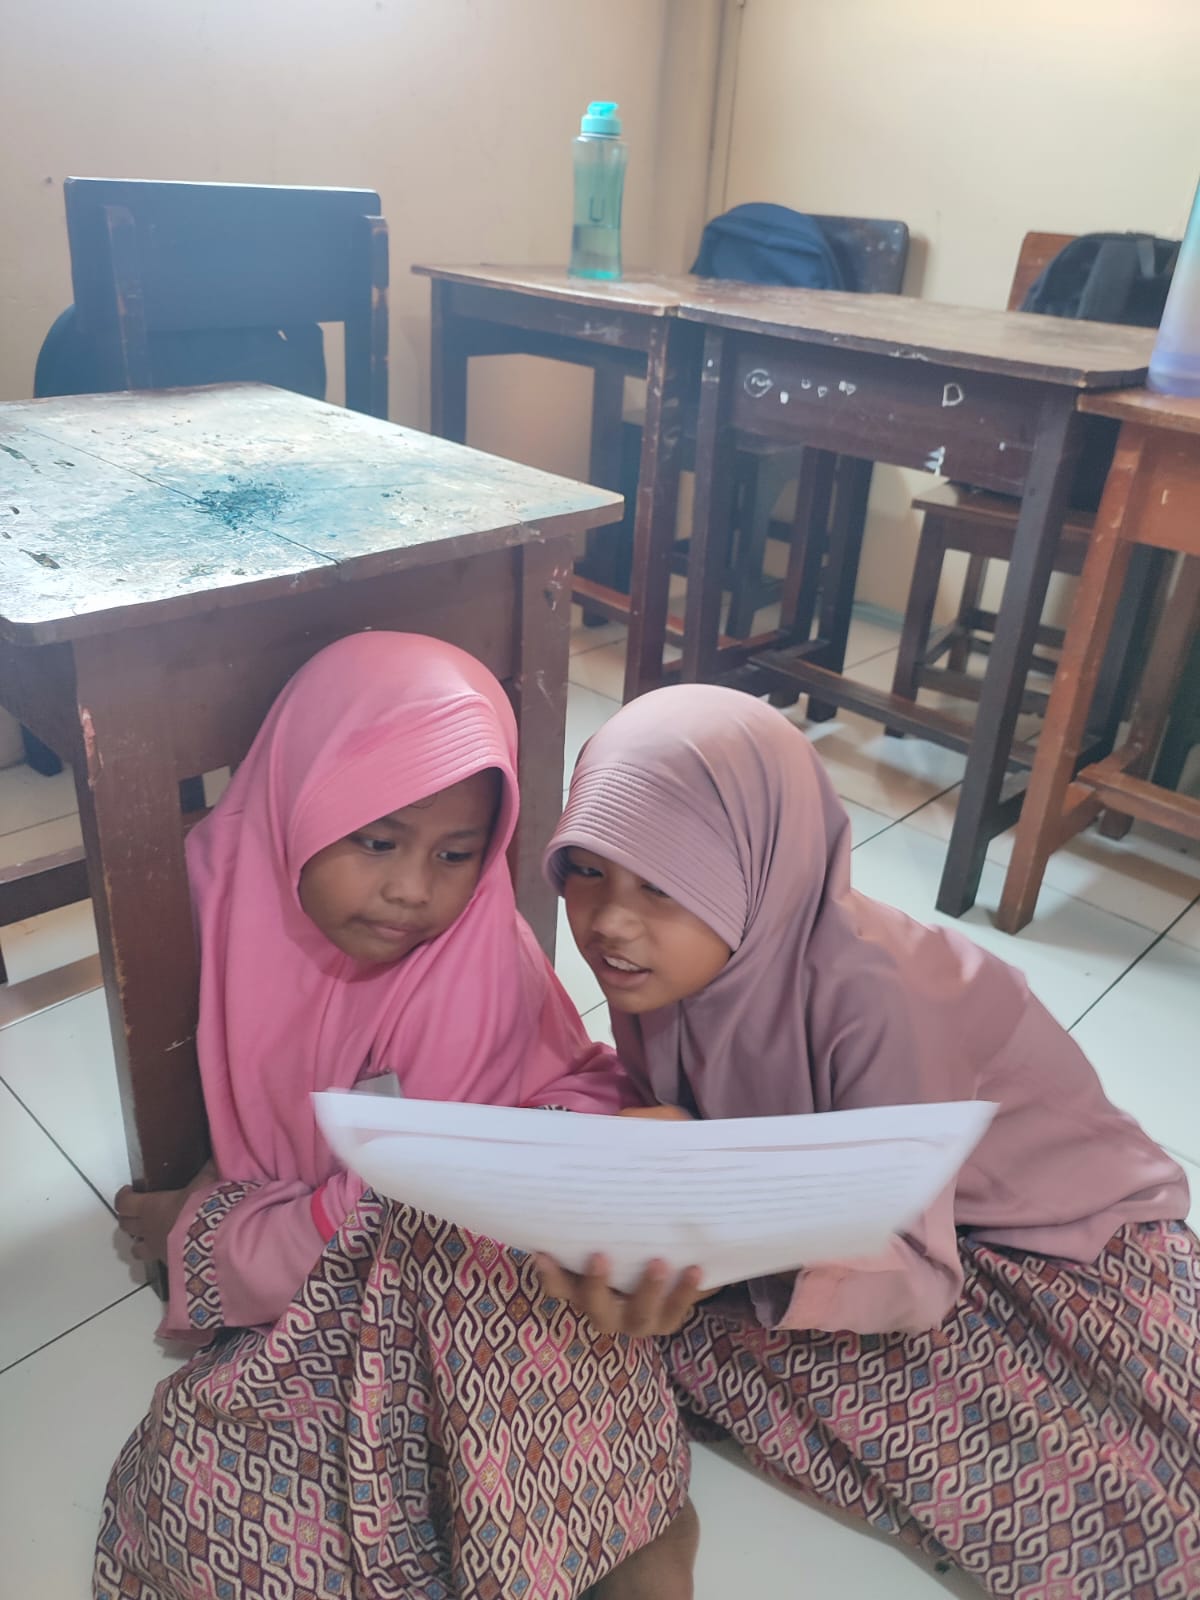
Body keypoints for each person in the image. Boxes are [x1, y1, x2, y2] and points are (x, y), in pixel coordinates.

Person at [541, 683, 1200, 1600]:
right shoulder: (672, 965)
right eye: (586, 869)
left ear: (765, 870)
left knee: (1095, 1472)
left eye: (664, 883)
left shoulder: (880, 1002)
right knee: (636, 1326)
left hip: (1049, 1230)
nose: (609, 920)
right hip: (871, 1211)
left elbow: (916, 1274)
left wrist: (720, 1224)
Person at [96, 633, 693, 1600]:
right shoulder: (214, 884)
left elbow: (414, 1195)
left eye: (457, 855)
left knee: (482, 1300)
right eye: (377, 840)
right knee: (215, 1513)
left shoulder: (473, 958)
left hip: (491, 1233)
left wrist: (204, 1232)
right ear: (297, 799)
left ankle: (590, 1534)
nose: (414, 890)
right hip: (369, 1227)